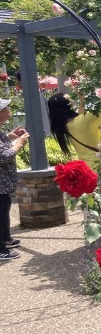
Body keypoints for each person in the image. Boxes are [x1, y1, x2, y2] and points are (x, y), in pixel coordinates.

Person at [0, 97, 29, 260]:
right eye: (5, 108)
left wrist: (11, 136)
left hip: (3, 184)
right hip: (0, 185)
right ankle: (1, 248)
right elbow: (3, 155)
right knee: (1, 213)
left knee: (4, 211)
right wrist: (19, 143)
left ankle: (5, 239)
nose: (8, 110)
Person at [47, 93, 101, 170]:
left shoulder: (65, 126)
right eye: (69, 99)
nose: (72, 100)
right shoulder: (84, 120)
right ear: (67, 105)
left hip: (88, 170)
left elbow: (80, 114)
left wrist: (82, 96)